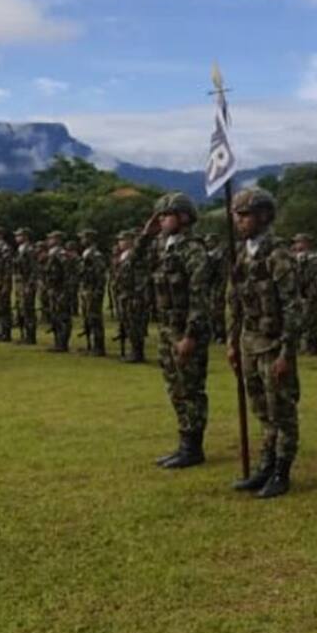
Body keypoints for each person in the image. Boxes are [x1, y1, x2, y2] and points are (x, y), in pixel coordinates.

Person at [226, 187, 303, 499]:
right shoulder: (243, 254)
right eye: (237, 215)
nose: (239, 221)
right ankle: (265, 465)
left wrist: (287, 352)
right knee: (260, 408)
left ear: (264, 216)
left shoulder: (278, 255)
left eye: (245, 215)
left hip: (273, 346)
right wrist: (232, 343)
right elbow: (234, 303)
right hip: (249, 342)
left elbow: (293, 308)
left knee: (281, 409)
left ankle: (282, 471)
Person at [137, 193, 211, 469]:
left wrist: (190, 336)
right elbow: (131, 269)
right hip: (167, 329)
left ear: (183, 217)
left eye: (165, 215)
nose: (160, 220)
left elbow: (199, 297)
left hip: (185, 331)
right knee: (174, 388)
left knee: (190, 388)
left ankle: (193, 447)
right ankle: (184, 443)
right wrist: (145, 237)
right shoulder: (160, 247)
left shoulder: (193, 250)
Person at [111, 229, 149, 363]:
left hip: (132, 295)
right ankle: (133, 351)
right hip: (123, 294)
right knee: (127, 324)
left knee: (134, 325)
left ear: (129, 241)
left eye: (122, 240)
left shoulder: (135, 257)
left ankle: (137, 353)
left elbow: (140, 278)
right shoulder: (122, 257)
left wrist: (137, 296)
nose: (120, 243)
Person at [291, 233, 317, 356]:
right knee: (297, 320)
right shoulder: (294, 258)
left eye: (300, 242)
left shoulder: (314, 259)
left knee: (311, 321)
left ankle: (311, 347)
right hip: (297, 293)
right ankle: (298, 346)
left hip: (310, 293)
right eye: (296, 242)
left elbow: (316, 276)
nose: (298, 245)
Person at [42, 231, 74, 352]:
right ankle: (57, 342)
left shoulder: (61, 254)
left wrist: (66, 290)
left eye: (51, 238)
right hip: (54, 289)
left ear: (57, 240)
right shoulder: (52, 253)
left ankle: (63, 343)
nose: (49, 241)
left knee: (63, 316)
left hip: (61, 289)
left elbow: (67, 272)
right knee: (55, 315)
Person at [78, 229, 108, 356]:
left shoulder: (95, 255)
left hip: (93, 289)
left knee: (95, 318)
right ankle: (90, 346)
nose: (81, 240)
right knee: (88, 318)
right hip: (86, 288)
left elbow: (100, 274)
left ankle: (99, 347)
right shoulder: (86, 253)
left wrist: (98, 290)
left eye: (83, 238)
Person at [13, 229, 38, 345]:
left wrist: (30, 284)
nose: (16, 238)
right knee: (21, 309)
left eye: (19, 235)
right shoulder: (20, 249)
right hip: (20, 283)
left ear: (25, 237)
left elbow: (34, 269)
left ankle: (30, 336)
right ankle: (24, 335)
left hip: (26, 283)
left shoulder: (30, 250)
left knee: (28, 309)